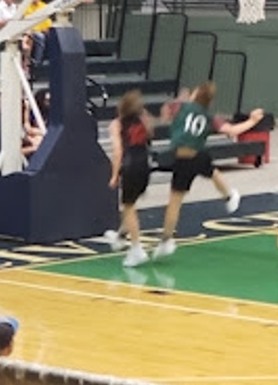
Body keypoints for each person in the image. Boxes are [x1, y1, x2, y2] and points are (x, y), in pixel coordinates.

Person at [155, 82, 264, 260]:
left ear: (196, 94)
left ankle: (166, 240)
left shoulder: (180, 107)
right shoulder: (209, 117)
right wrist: (252, 120)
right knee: (211, 171)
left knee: (174, 202)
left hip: (183, 159)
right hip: (197, 154)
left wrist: (177, 101)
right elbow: (232, 130)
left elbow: (164, 115)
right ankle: (229, 194)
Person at [104, 90, 153, 267]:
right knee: (130, 205)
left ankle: (137, 249)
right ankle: (119, 237)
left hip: (131, 167)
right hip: (145, 166)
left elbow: (118, 152)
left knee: (128, 207)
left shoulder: (117, 124)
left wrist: (114, 175)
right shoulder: (144, 122)